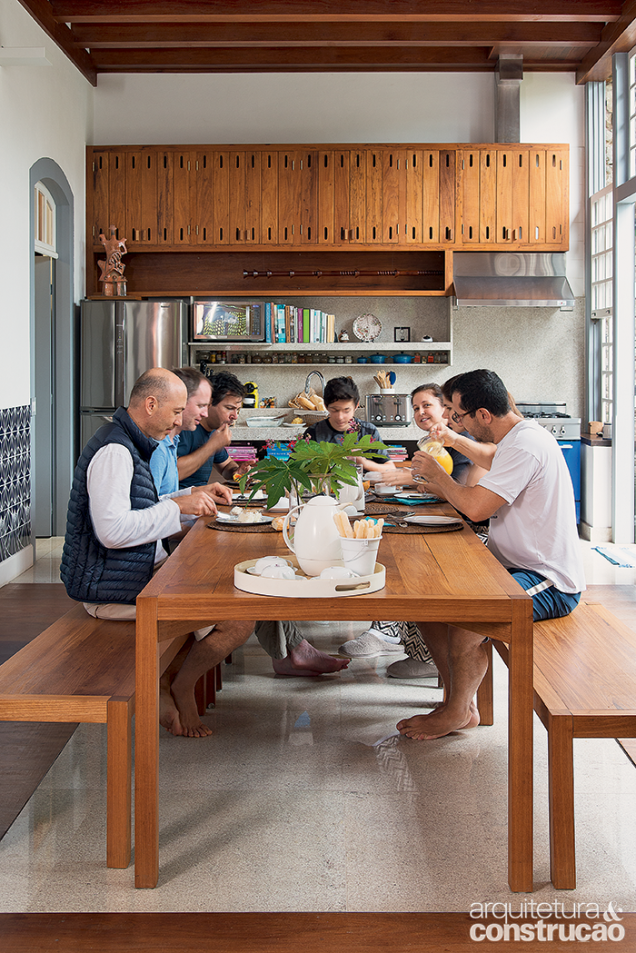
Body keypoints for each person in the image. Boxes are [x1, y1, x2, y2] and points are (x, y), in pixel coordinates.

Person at [60, 367, 255, 739]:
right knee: (238, 617)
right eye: (176, 411)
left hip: (129, 575)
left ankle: (172, 685)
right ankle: (177, 687)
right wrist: (177, 508)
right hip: (108, 587)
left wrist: (186, 500)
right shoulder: (115, 451)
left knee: (222, 594)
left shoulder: (128, 443)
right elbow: (113, 531)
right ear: (151, 404)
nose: (181, 421)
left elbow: (139, 507)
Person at [396, 368, 585, 741]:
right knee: (428, 601)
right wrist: (452, 438)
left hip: (548, 579)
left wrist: (439, 476)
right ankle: (458, 701)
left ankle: (458, 711)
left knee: (471, 614)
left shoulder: (527, 444)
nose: (450, 419)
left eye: (456, 414)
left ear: (483, 415)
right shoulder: (517, 438)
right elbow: (489, 456)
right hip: (511, 565)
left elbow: (477, 508)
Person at [338, 383, 492, 666]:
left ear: (447, 410)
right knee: (394, 542)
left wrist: (414, 478)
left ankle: (398, 641)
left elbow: (462, 491)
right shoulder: (442, 442)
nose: (421, 412)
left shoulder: (463, 441)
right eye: (416, 408)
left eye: (428, 405)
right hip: (452, 520)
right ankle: (407, 643)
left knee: (405, 555)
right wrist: (413, 477)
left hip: (472, 532)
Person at [304, 376, 394, 474]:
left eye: (346, 411)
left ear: (356, 406)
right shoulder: (313, 432)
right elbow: (294, 468)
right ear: (326, 406)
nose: (340, 417)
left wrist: (362, 462)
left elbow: (391, 469)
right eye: (335, 410)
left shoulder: (368, 431)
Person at [177, 371, 251, 488]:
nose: (235, 416)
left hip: (199, 500)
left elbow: (226, 466)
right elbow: (174, 473)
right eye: (229, 408)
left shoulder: (213, 431)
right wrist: (212, 445)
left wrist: (236, 472)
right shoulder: (184, 427)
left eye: (237, 410)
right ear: (209, 403)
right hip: (177, 502)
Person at [149, 367, 213, 497]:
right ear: (180, 400)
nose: (205, 414)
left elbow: (165, 497)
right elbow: (149, 507)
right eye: (200, 405)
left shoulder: (173, 440)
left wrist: (199, 492)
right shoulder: (158, 446)